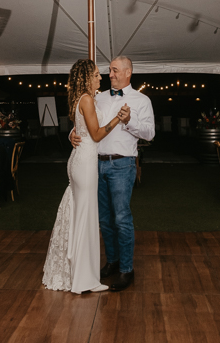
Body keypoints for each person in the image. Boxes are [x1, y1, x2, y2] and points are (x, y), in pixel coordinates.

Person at [69, 56, 155, 292]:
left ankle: (127, 269)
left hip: (122, 165)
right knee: (104, 220)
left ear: (128, 72)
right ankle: (112, 262)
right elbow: (86, 123)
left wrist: (129, 121)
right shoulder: (98, 97)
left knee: (121, 219)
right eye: (109, 71)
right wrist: (72, 134)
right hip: (95, 164)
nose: (110, 75)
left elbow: (149, 133)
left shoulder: (142, 100)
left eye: (115, 71)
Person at [42, 59, 126, 294]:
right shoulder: (87, 99)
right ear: (87, 77)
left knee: (81, 216)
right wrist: (118, 119)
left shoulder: (83, 98)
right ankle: (83, 279)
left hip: (80, 159)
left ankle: (77, 271)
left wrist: (72, 133)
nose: (101, 78)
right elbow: (97, 134)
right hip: (85, 162)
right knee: (86, 218)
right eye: (98, 75)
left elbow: (80, 127)